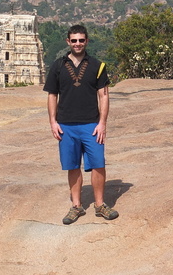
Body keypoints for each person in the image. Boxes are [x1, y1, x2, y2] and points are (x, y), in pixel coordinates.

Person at [44, 24, 119, 224]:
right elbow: (52, 95)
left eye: (81, 40)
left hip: (91, 124)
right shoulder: (58, 66)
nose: (78, 44)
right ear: (68, 42)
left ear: (86, 41)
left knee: (98, 164)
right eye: (74, 40)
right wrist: (53, 121)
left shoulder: (97, 65)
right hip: (66, 125)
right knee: (73, 166)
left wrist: (102, 122)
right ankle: (76, 206)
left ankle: (100, 204)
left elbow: (103, 95)